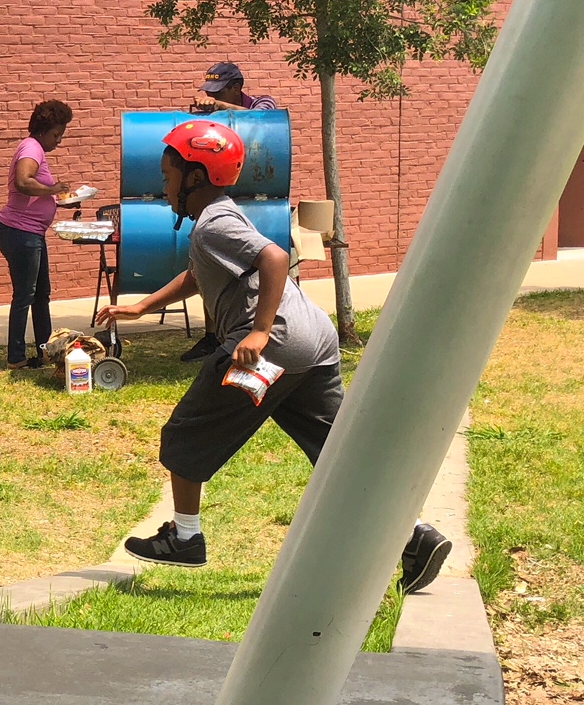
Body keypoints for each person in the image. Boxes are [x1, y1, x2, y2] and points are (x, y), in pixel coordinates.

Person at [97, 118, 451, 593]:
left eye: (167, 177)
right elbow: (200, 275)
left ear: (195, 177)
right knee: (336, 453)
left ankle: (184, 537)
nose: (163, 187)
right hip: (314, 340)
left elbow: (275, 257)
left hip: (270, 348)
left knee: (185, 434)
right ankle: (416, 537)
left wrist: (260, 331)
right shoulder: (219, 219)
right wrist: (141, 306)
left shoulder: (216, 222)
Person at [0, 99, 74, 369]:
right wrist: (53, 190)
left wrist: (60, 199)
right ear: (44, 129)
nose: (59, 140)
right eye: (56, 134)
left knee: (41, 295)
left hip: (30, 233)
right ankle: (16, 357)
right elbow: (23, 182)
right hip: (19, 231)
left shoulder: (36, 148)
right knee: (26, 294)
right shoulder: (31, 147)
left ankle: (46, 351)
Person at [194, 60, 279, 112]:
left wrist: (220, 105)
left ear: (236, 88)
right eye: (209, 93)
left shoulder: (263, 102)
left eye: (218, 93)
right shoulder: (211, 115)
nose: (212, 98)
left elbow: (258, 118)